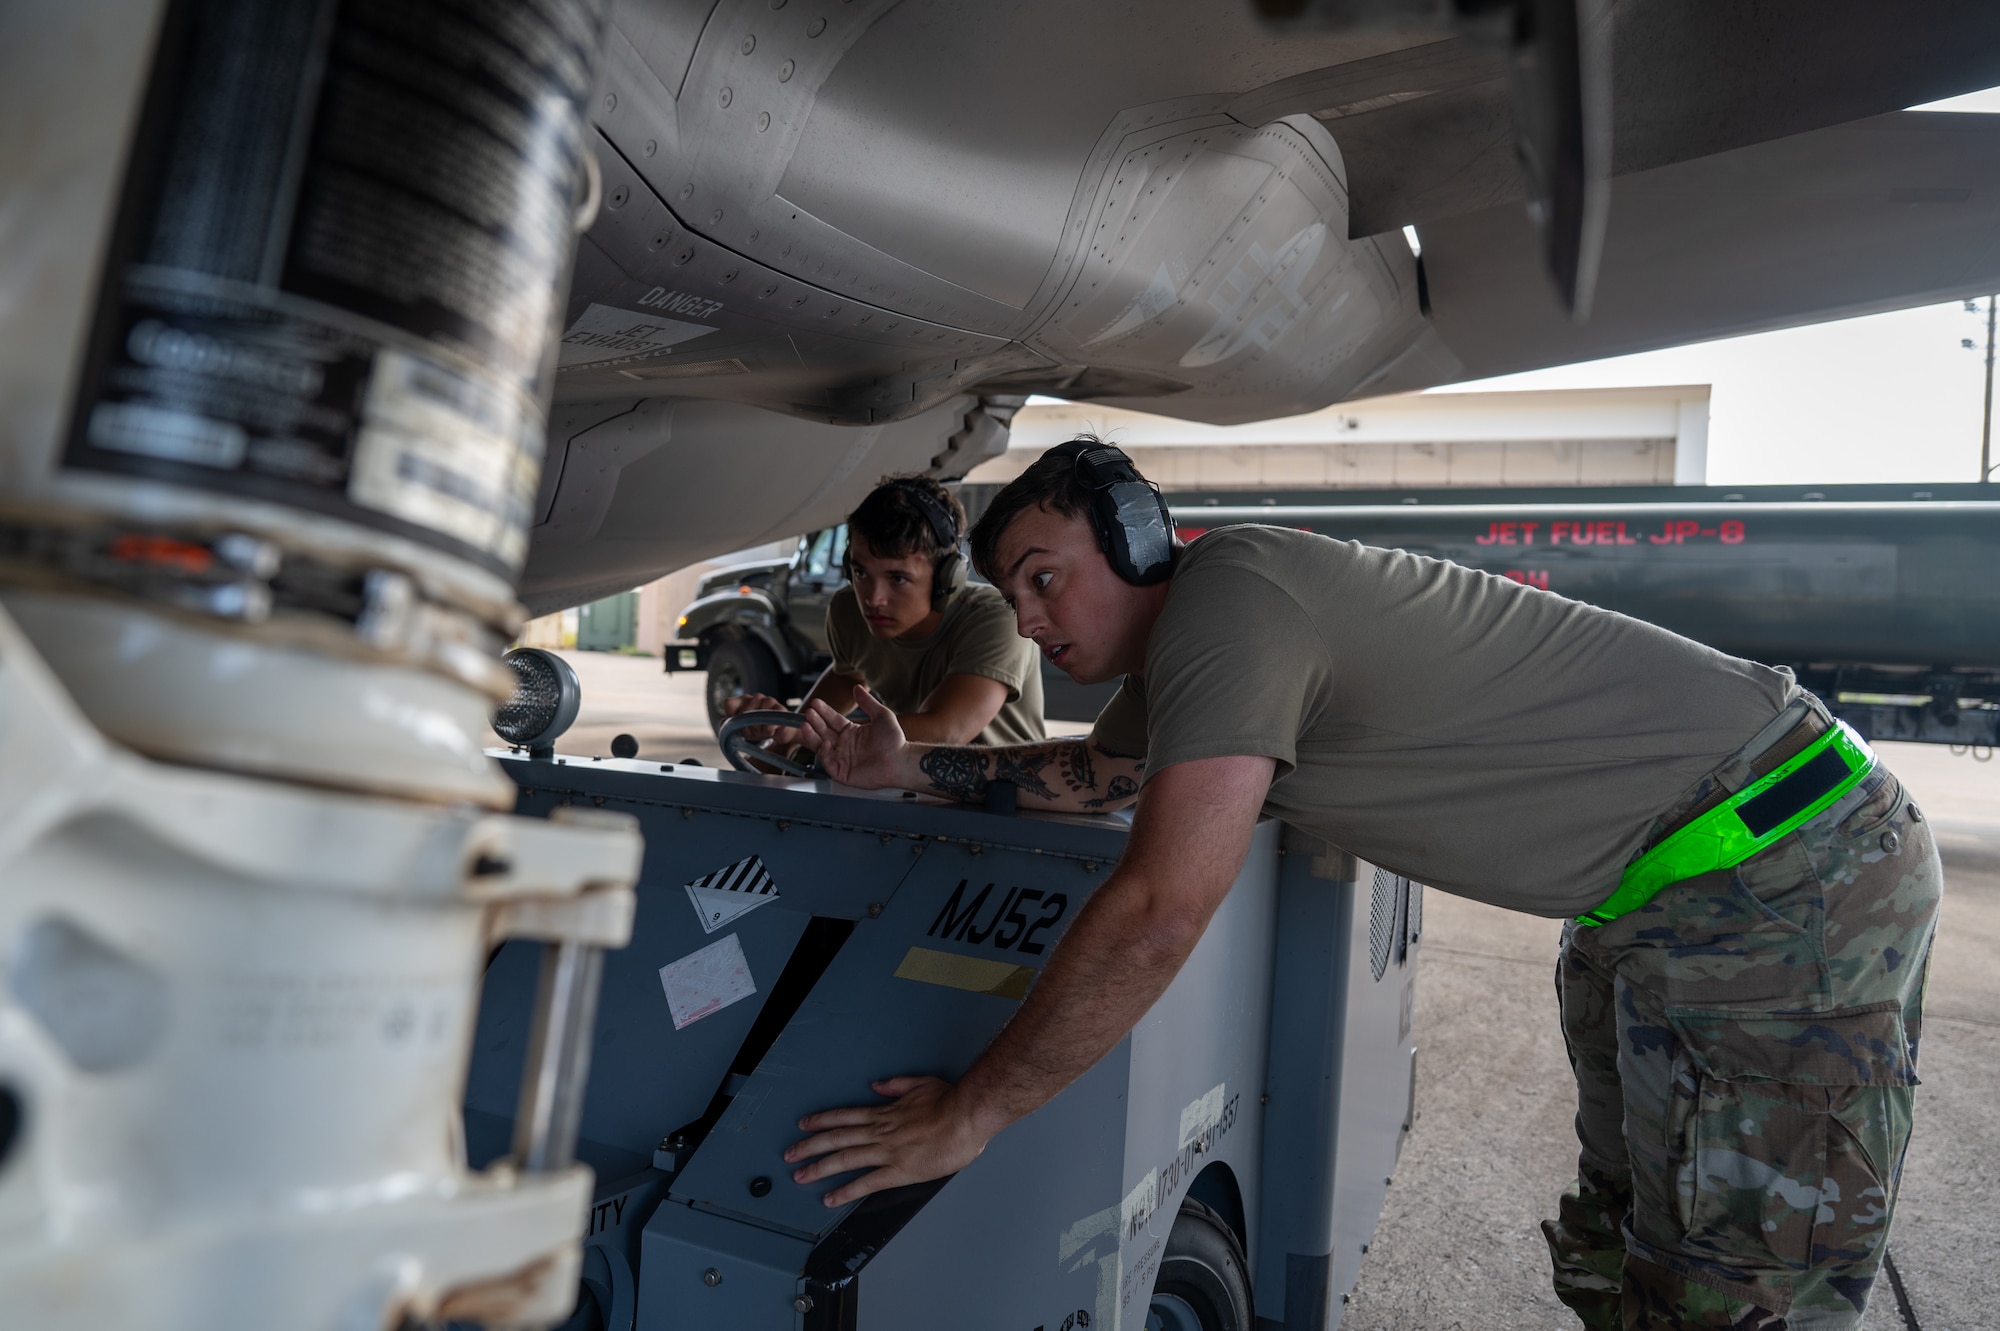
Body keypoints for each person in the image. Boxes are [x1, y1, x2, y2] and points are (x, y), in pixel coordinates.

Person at [781, 438, 1939, 1331]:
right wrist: (904, 763)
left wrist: (971, 1113)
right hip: (1675, 898)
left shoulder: (1233, 599)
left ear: (1140, 543)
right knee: (1639, 1245)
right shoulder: (1201, 648)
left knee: (1738, 1289)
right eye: (1011, 595)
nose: (1028, 618)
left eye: (1045, 578)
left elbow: (1157, 907)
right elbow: (1091, 774)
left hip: (1784, 875)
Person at [725, 475, 1044, 763]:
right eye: (860, 572)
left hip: (1009, 804)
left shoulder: (995, 620)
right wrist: (781, 733)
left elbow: (945, 730)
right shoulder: (849, 611)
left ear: (948, 578)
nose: (873, 599)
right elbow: (848, 676)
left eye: (898, 579)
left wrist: (808, 731)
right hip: (913, 792)